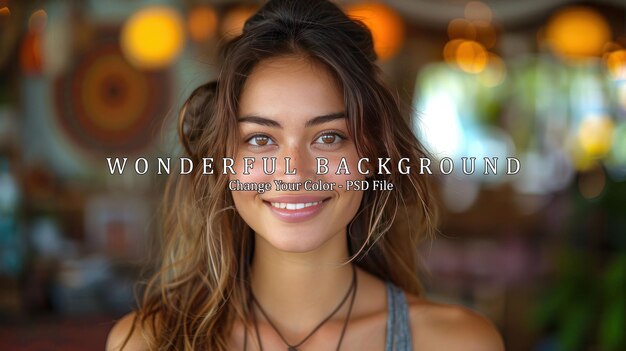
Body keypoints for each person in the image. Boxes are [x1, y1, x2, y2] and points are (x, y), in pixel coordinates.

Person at [106, 0, 505, 350]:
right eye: (261, 139)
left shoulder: (458, 343)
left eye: (329, 137)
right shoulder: (149, 342)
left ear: (372, 155)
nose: (293, 172)